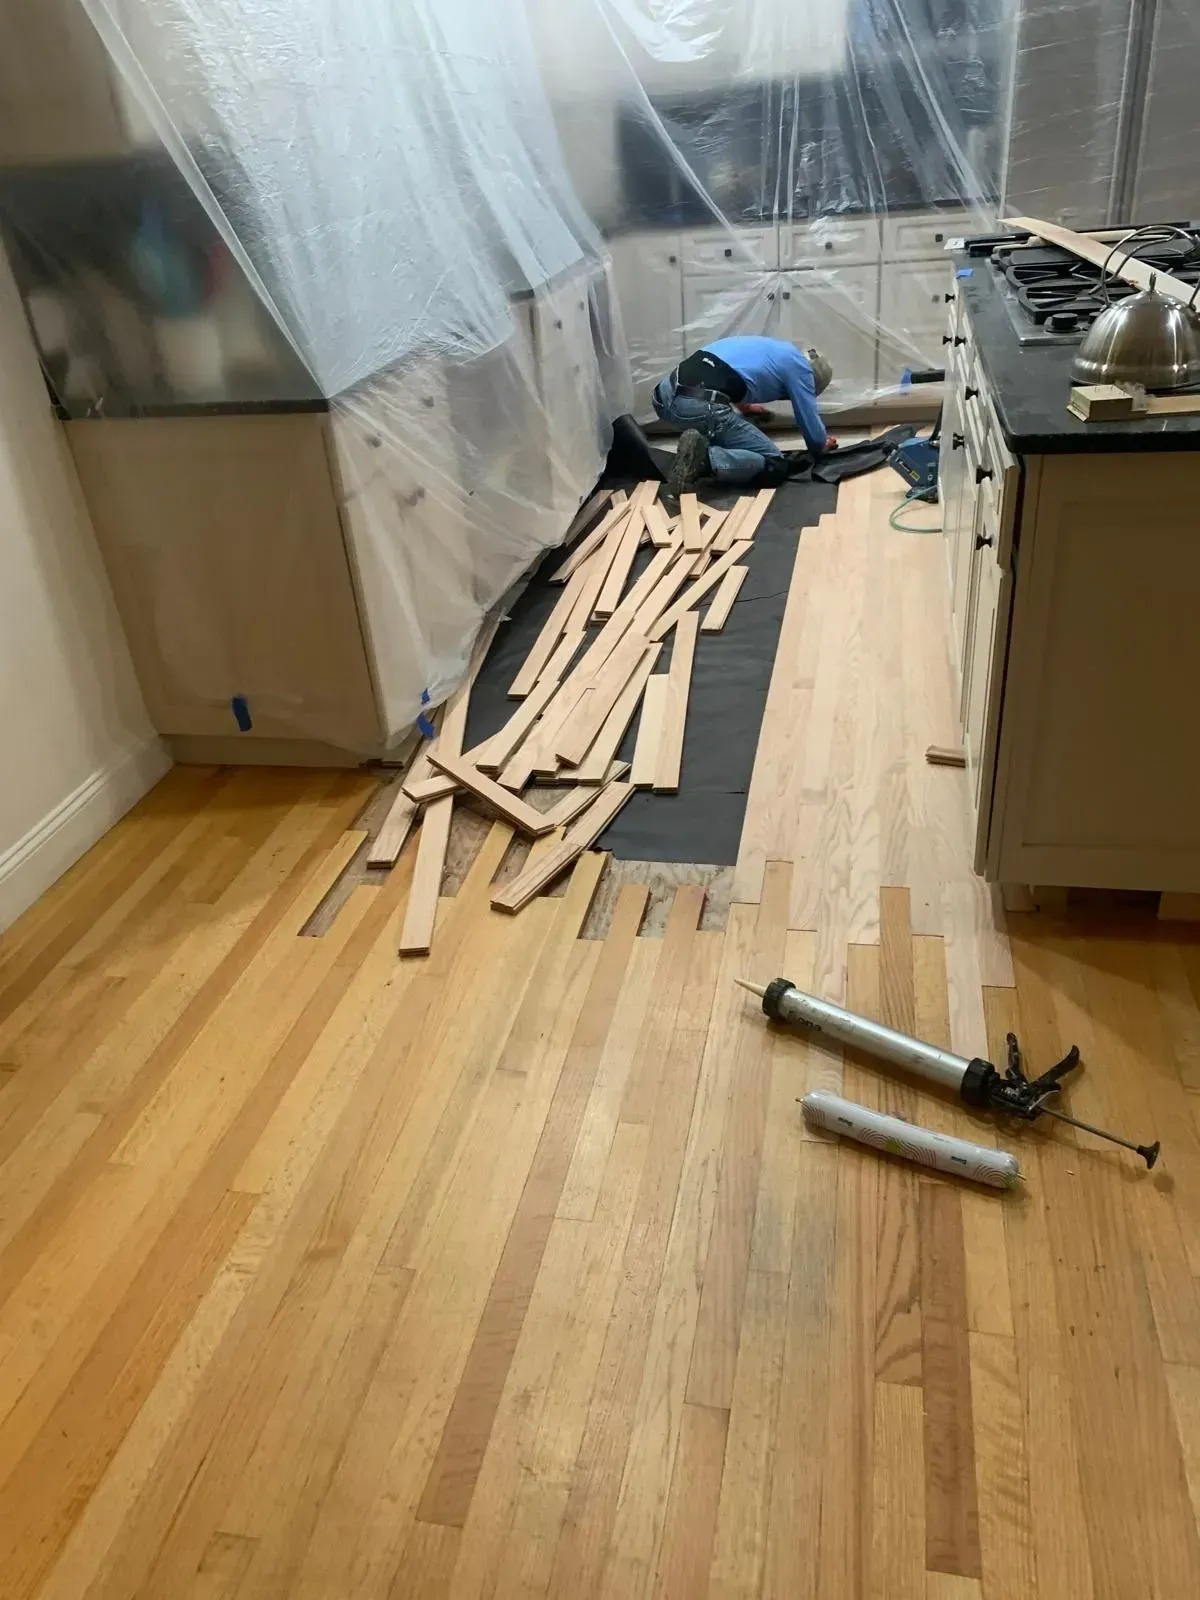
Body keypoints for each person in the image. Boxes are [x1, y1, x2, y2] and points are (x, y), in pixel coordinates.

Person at [653, 337, 838, 494]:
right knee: (774, 463)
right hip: (698, 407)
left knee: (733, 421)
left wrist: (746, 407)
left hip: (664, 397)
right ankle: (705, 461)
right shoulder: (802, 370)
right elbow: (809, 422)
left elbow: (724, 373)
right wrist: (821, 444)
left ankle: (698, 446)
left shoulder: (773, 349)